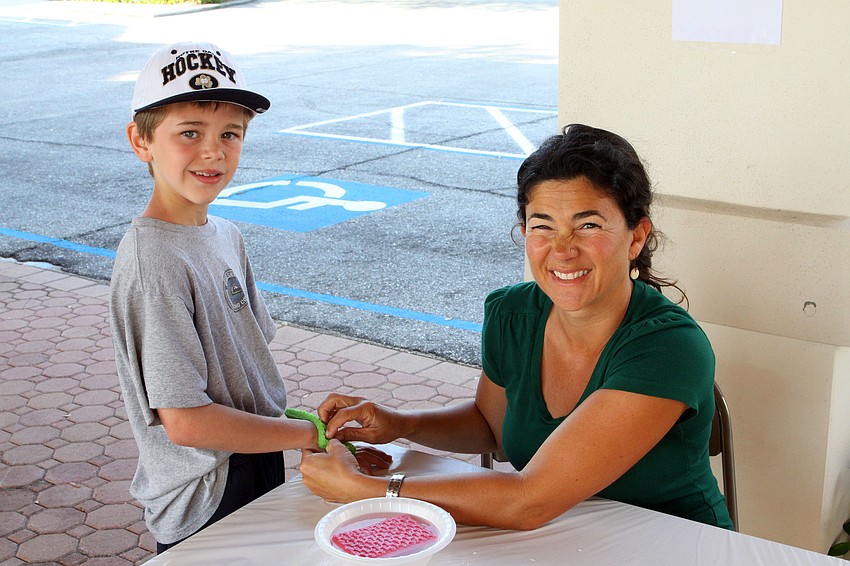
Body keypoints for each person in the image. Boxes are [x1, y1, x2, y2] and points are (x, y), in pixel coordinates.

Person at [298, 124, 734, 531]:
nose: (562, 250)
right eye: (543, 226)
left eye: (588, 225)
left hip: (676, 545)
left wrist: (368, 492)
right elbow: (494, 429)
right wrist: (400, 424)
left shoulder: (668, 347)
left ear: (635, 238)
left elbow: (530, 500)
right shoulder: (513, 313)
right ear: (523, 231)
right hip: (565, 540)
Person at [109, 42, 388, 553]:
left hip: (255, 452)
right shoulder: (155, 261)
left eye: (230, 134)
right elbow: (187, 421)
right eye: (189, 133)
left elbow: (246, 374)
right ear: (141, 141)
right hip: (205, 492)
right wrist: (311, 439)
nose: (213, 151)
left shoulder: (226, 234)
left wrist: (309, 425)